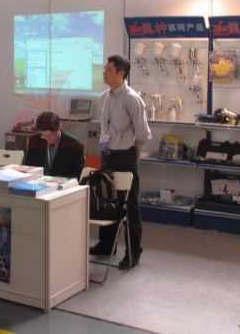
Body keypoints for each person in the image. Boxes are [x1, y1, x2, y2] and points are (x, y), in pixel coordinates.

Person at [90, 54, 151, 269]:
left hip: (126, 156)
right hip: (108, 155)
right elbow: (105, 128)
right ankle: (107, 245)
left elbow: (143, 134)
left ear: (121, 73)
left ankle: (133, 252)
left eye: (108, 70)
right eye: (104, 69)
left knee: (130, 206)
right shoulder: (106, 97)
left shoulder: (132, 100)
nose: (104, 73)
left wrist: (135, 152)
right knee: (106, 200)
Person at [24, 111, 84, 179]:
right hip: (37, 182)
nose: (47, 139)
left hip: (61, 184)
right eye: (44, 135)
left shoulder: (74, 146)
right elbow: (27, 167)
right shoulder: (34, 140)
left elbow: (75, 176)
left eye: (50, 135)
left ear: (59, 128)